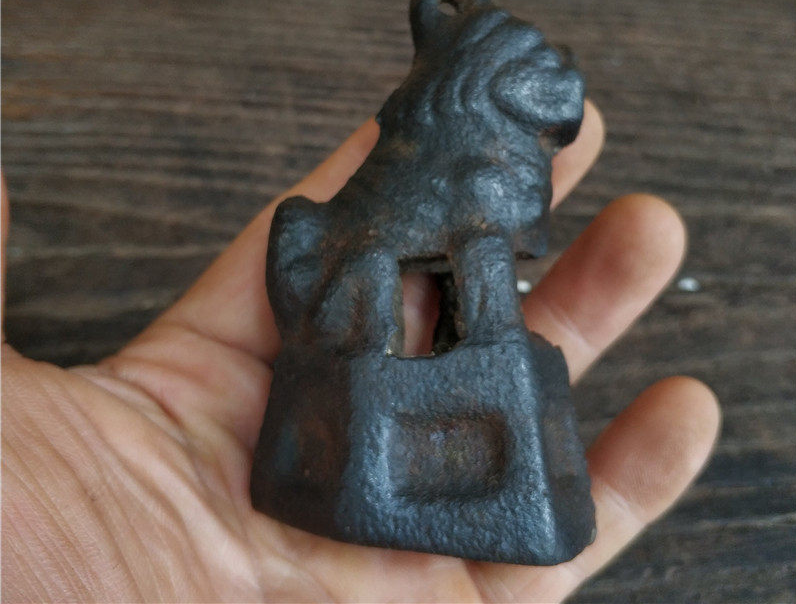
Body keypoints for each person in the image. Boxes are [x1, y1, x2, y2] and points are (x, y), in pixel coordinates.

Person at [1, 101, 719, 602]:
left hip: (427, 395)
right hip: (360, 349)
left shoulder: (485, 174)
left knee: (473, 270)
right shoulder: (440, 179)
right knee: (423, 267)